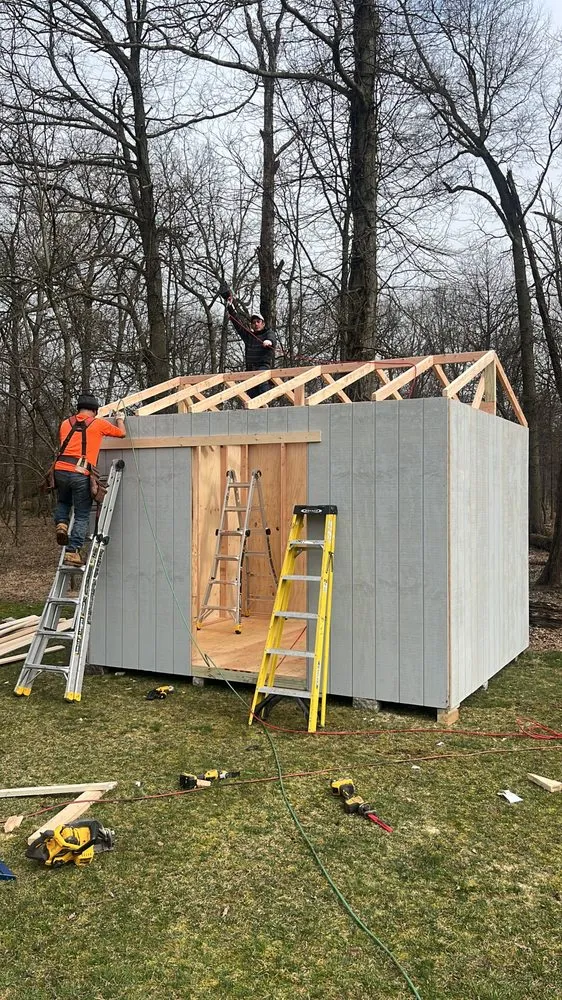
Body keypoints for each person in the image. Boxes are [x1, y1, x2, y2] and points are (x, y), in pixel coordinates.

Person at [53, 393, 126, 566]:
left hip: (60, 470)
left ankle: (61, 524)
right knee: (82, 513)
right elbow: (122, 433)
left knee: (64, 501)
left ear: (79, 408)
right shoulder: (98, 423)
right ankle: (72, 552)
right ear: (94, 410)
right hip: (80, 472)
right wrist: (120, 419)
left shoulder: (65, 423)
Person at [224, 293, 276, 398]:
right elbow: (238, 324)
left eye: (258, 322)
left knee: (262, 384)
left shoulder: (268, 332)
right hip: (250, 369)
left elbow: (272, 338)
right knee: (251, 394)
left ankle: (266, 404)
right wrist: (230, 307)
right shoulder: (249, 336)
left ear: (263, 323)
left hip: (262, 367)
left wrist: (269, 341)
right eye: (254, 322)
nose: (256, 324)